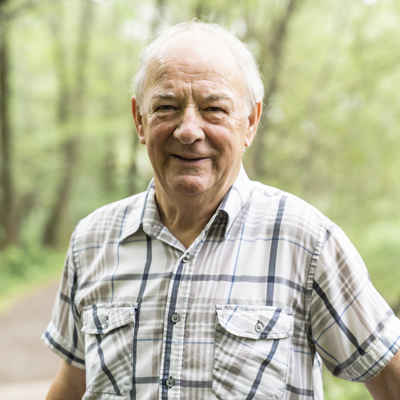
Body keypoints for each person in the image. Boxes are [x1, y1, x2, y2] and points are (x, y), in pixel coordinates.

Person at [43, 21, 400, 400]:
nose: (188, 130)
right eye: (166, 107)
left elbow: (392, 377)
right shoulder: (91, 241)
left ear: (250, 122)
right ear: (139, 120)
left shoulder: (307, 243)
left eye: (214, 109)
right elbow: (73, 383)